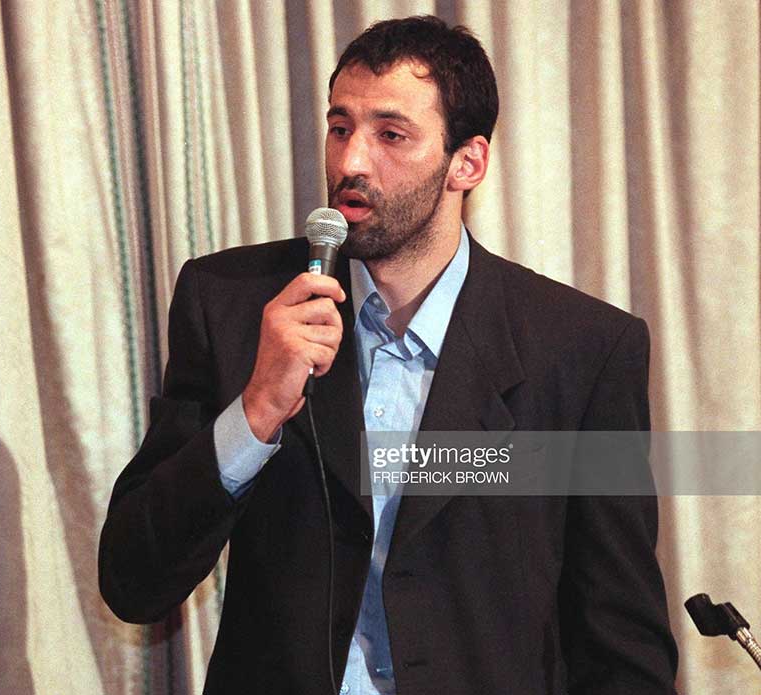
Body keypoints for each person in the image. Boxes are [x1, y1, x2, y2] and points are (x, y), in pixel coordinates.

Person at [99, 15, 678, 695]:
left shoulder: (582, 351)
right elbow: (133, 581)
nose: (350, 162)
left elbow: (622, 646)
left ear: (468, 162)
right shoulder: (230, 304)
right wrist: (254, 412)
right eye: (340, 126)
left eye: (391, 135)